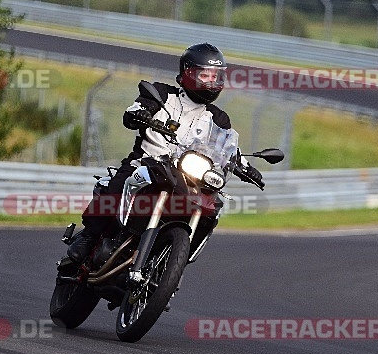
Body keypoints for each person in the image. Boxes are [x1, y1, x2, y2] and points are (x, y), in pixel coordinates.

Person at [67, 43, 263, 263]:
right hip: (146, 162)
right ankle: (89, 235)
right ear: (187, 73)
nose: (211, 82)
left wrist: (245, 166)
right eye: (205, 75)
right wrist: (139, 113)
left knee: (212, 206)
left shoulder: (218, 118)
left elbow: (228, 149)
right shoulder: (161, 94)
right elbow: (136, 108)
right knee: (120, 181)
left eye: (216, 76)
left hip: (188, 177)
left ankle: (170, 261)